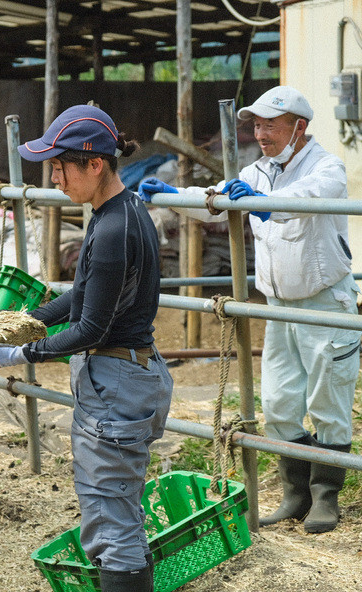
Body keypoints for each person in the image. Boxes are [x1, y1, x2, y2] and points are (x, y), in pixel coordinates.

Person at [139, 85, 359, 534]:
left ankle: (325, 495)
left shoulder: (326, 166)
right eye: (256, 125)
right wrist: (173, 194)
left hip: (324, 302)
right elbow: (216, 202)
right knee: (277, 402)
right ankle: (295, 494)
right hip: (278, 307)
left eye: (270, 125)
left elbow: (308, 199)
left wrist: (260, 206)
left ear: (299, 127)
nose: (260, 134)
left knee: (328, 400)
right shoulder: (257, 170)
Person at [0, 104, 173, 592]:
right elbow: (83, 294)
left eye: (60, 166)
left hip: (116, 386)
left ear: (95, 164)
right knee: (118, 514)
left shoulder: (113, 229)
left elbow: (90, 329)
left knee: (112, 526)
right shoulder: (118, 213)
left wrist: (18, 355)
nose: (55, 178)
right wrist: (25, 321)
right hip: (128, 377)